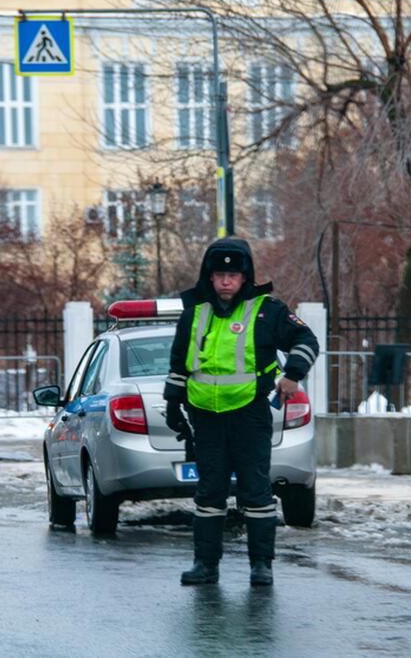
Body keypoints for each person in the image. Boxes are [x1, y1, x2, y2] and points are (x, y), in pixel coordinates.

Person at [163, 237, 319, 586]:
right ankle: (205, 565)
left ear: (245, 277)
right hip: (205, 415)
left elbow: (306, 341)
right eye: (220, 275)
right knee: (209, 492)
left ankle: (261, 565)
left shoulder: (267, 310)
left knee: (256, 490)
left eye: (233, 275)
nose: (226, 281)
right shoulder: (195, 312)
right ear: (209, 276)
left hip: (250, 413)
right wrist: (173, 404)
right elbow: (178, 363)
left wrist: (293, 374)